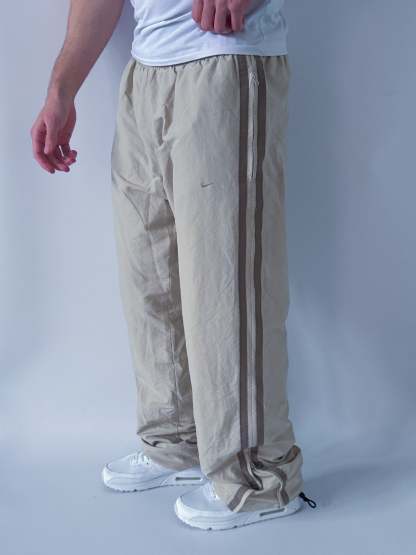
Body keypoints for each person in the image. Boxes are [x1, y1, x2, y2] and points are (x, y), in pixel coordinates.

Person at [30, 0, 316, 531]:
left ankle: (260, 477)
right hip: (146, 72)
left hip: (224, 59)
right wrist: (62, 87)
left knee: (226, 283)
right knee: (150, 279)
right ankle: (178, 442)